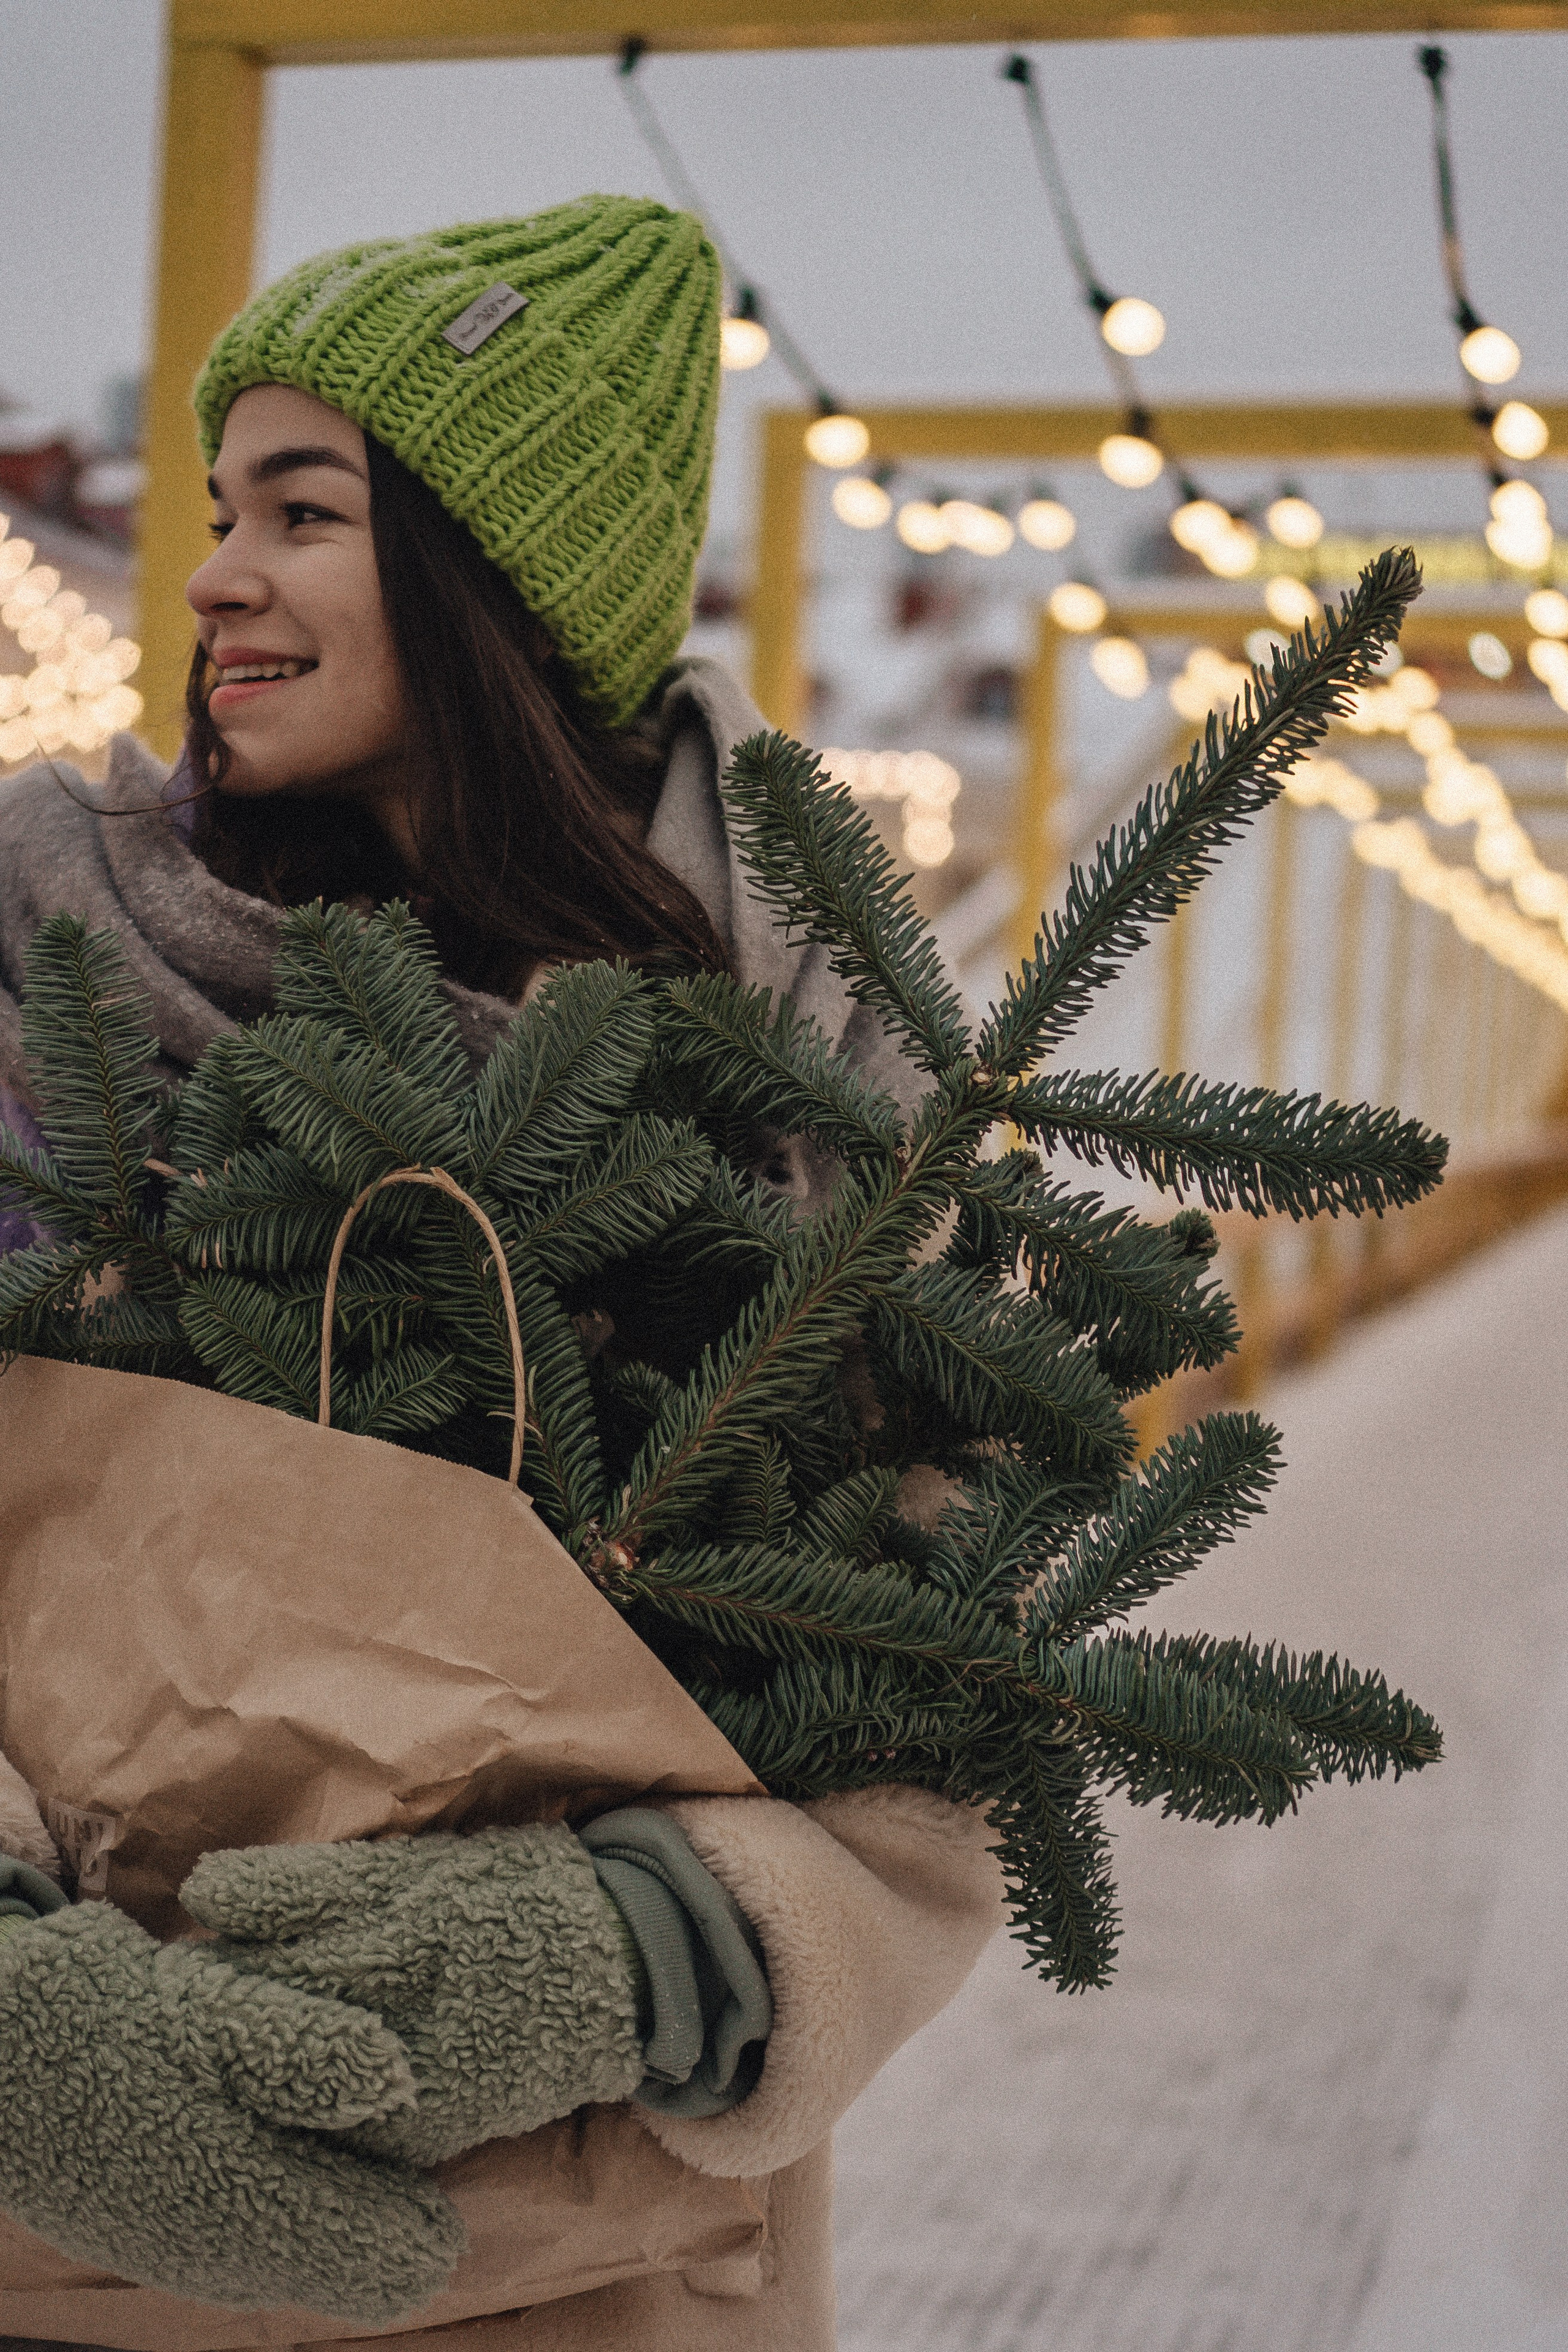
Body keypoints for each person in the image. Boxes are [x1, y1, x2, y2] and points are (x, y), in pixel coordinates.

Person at [0, 198, 1003, 2350]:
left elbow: (954, 1667)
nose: (216, 575)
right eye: (218, 511)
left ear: (496, 586)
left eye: (305, 512)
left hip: (593, 2257)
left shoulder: (810, 1046)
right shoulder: (38, 964)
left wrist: (650, 1948)